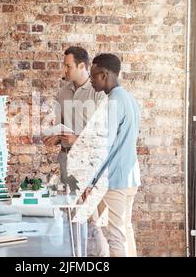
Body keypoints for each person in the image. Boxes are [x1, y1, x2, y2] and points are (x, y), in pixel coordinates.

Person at [82, 53, 141, 257]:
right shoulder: (130, 99)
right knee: (125, 231)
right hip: (130, 177)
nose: (91, 81)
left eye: (93, 76)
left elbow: (103, 147)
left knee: (114, 236)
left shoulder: (113, 102)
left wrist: (91, 183)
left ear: (105, 75)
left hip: (114, 181)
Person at [43, 46, 106, 192]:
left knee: (89, 211)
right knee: (68, 209)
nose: (64, 70)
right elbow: (61, 127)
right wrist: (56, 138)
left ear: (82, 66)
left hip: (90, 163)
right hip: (66, 161)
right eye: (63, 65)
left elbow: (104, 134)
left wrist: (76, 139)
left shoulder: (99, 93)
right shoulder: (62, 93)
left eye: (68, 66)